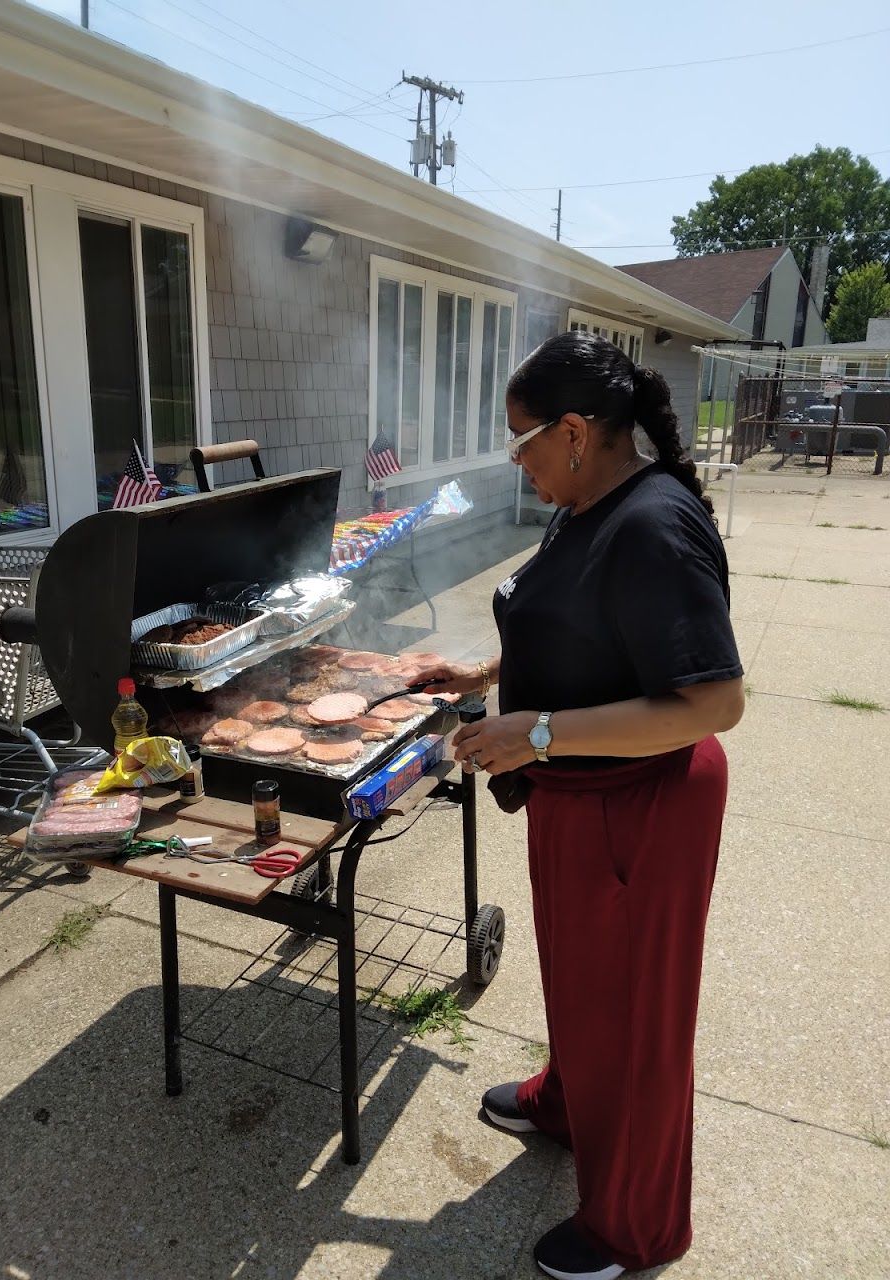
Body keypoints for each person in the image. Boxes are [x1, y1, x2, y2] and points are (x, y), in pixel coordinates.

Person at [415, 332, 744, 1280]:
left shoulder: (653, 524)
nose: (515, 462)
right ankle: (566, 1102)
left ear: (571, 431)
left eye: (520, 443)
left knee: (638, 1016)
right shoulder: (587, 501)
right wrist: (481, 672)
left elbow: (713, 702)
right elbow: (575, 623)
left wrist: (539, 734)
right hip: (579, 795)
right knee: (577, 973)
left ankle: (633, 1228)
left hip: (643, 806)